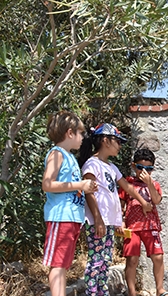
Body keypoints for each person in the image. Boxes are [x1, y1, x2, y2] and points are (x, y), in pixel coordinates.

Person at [78, 123, 153, 296]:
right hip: (98, 221)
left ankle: (101, 292)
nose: (119, 145)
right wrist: (97, 219)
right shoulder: (92, 164)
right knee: (96, 260)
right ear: (106, 140)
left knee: (105, 260)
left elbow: (126, 187)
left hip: (109, 222)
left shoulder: (111, 167)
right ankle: (92, 292)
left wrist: (143, 202)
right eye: (117, 141)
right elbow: (89, 192)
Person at [41, 111, 98, 296]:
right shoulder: (57, 154)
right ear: (70, 133)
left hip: (71, 218)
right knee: (58, 264)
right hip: (60, 216)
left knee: (63, 264)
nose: (82, 138)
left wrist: (85, 188)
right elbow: (47, 184)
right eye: (80, 133)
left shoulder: (69, 157)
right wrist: (80, 184)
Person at [119, 148, 168, 296]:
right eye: (140, 167)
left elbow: (157, 200)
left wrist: (149, 184)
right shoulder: (128, 183)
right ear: (134, 166)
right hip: (132, 227)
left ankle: (160, 289)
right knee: (132, 259)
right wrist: (121, 222)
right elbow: (121, 205)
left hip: (150, 225)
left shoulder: (154, 184)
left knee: (158, 257)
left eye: (149, 169)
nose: (144, 172)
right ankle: (132, 292)